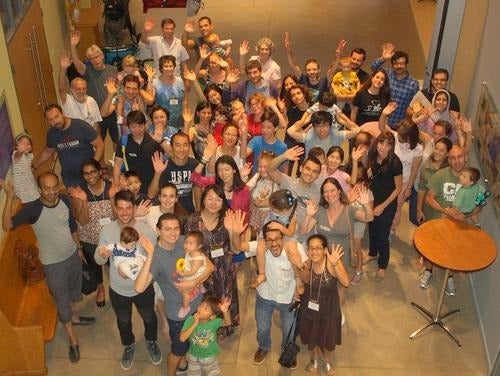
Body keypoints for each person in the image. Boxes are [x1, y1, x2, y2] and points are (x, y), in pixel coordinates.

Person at [2, 173, 95, 363]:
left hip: (72, 255)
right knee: (61, 299)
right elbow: (7, 225)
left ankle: (74, 317)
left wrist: (78, 249)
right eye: (46, 188)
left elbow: (72, 226)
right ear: (40, 189)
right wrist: (10, 197)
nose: (51, 192)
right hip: (53, 265)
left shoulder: (64, 200)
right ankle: (72, 339)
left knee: (73, 290)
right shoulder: (33, 209)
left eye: (54, 187)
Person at [135, 212, 215, 376]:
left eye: (176, 228)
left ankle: (183, 365)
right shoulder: (156, 256)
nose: (173, 233)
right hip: (178, 314)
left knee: (190, 344)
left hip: (197, 306)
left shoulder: (184, 242)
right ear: (158, 231)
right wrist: (150, 254)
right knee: (178, 350)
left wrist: (194, 282)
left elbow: (210, 267)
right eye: (167, 229)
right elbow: (139, 288)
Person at [95, 190, 161, 370]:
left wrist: (147, 277)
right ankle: (129, 344)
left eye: (128, 208)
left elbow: (156, 262)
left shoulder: (146, 230)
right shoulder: (107, 230)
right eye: (120, 208)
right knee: (123, 321)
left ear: (134, 208)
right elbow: (98, 260)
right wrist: (101, 254)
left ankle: (151, 340)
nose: (124, 213)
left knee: (149, 317)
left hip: (144, 288)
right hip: (118, 290)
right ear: (115, 209)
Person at [184, 186, 248, 337]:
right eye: (210, 198)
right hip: (201, 269)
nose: (214, 202)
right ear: (203, 199)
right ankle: (205, 329)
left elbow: (236, 250)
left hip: (224, 270)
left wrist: (234, 232)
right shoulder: (193, 220)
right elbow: (188, 247)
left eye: (218, 199)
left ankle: (225, 328)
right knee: (205, 303)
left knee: (224, 301)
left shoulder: (228, 217)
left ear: (223, 201)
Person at [423, 146, 483, 294]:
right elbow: (428, 199)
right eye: (453, 158)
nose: (457, 161)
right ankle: (428, 270)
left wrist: (466, 215)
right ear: (448, 160)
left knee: (453, 251)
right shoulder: (440, 175)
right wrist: (445, 211)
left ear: (465, 157)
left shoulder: (472, 179)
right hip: (440, 219)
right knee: (433, 249)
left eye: (460, 157)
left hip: (461, 224)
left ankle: (449, 276)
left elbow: (480, 205)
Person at [252, 222, 307, 368]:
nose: (274, 243)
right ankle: (263, 347)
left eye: (277, 238)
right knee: (262, 327)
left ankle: (287, 350)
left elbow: (307, 276)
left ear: (283, 238)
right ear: (264, 240)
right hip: (265, 296)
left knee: (290, 329)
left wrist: (300, 266)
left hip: (289, 298)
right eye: (269, 239)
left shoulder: (295, 248)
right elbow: (237, 247)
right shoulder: (261, 246)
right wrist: (233, 233)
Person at [297, 235, 349, 375]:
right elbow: (304, 281)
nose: (314, 252)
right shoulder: (308, 263)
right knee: (311, 337)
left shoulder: (333, 262)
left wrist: (334, 264)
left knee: (327, 340)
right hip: (309, 306)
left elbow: (345, 282)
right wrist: (301, 271)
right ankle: (313, 359)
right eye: (311, 248)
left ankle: (326, 361)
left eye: (318, 248)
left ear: (325, 250)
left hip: (329, 308)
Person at [69, 158, 116, 307]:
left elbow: (117, 217)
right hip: (89, 238)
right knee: (95, 266)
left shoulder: (111, 188)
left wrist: (113, 197)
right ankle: (100, 288)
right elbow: (82, 221)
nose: (90, 177)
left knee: (115, 264)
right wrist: (82, 200)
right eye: (86, 174)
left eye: (93, 172)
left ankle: (115, 289)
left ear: (100, 172)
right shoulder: (79, 192)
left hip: (111, 238)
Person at [33, 104, 104, 187]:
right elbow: (47, 151)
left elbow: (100, 145)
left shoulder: (81, 126)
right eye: (51, 120)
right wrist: (34, 166)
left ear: (62, 113)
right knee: (75, 199)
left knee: (92, 198)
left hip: (88, 176)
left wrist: (92, 167)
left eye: (57, 117)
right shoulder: (52, 133)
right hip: (70, 179)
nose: (55, 122)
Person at [364, 132, 403, 281]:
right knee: (372, 228)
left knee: (383, 234)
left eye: (388, 144)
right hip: (373, 198)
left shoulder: (395, 162)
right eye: (381, 143)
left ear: (392, 146)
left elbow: (398, 188)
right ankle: (373, 253)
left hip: (388, 202)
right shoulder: (372, 155)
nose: (383, 147)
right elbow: (371, 174)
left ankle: (383, 265)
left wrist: (383, 206)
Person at [70, 30, 119, 146]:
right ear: (89, 61)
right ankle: (100, 164)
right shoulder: (87, 71)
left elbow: (118, 89)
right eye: (91, 58)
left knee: (117, 140)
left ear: (102, 56)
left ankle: (117, 162)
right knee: (99, 142)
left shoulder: (112, 69)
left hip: (111, 111)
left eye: (97, 56)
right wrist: (73, 46)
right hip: (96, 114)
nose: (95, 60)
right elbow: (76, 63)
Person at [252, 189, 299, 288]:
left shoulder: (292, 216)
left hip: (285, 235)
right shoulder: (273, 203)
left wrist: (280, 227)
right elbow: (257, 204)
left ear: (285, 210)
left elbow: (290, 233)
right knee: (259, 249)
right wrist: (261, 196)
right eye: (272, 208)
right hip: (268, 232)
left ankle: (298, 278)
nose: (272, 210)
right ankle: (261, 274)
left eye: (275, 210)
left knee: (293, 253)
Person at [112, 110, 163, 193]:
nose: (137, 130)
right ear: (128, 127)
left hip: (151, 186)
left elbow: (163, 162)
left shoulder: (153, 141)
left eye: (140, 126)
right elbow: (117, 165)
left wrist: (161, 141)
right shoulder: (124, 141)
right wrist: (116, 184)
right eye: (133, 127)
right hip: (131, 188)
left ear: (145, 124)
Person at [180, 296, 231, 376]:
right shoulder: (190, 319)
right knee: (193, 374)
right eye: (201, 305)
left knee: (212, 373)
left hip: (209, 356)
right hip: (193, 355)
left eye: (205, 309)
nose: (200, 308)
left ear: (212, 316)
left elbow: (228, 324)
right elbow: (182, 338)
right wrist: (194, 324)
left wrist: (225, 312)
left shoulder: (214, 322)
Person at [371, 43, 419, 128]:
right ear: (392, 65)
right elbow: (373, 68)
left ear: (406, 64)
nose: (399, 66)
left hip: (398, 125)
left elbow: (413, 106)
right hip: (379, 121)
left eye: (402, 63)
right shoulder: (386, 74)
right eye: (396, 63)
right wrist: (383, 58)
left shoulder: (413, 83)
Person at [59, 52, 103, 131]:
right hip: (74, 136)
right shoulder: (67, 100)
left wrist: (99, 140)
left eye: (84, 88)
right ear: (72, 90)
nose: (81, 91)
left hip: (90, 135)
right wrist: (63, 69)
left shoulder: (91, 101)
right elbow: (61, 88)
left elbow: (96, 124)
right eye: (78, 89)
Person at [284, 31, 329, 102]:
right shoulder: (303, 79)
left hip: (319, 112)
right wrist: (288, 51)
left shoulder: (324, 81)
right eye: (309, 70)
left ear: (319, 69)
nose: (312, 72)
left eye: (314, 69)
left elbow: (332, 69)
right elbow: (293, 65)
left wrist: (338, 56)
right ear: (305, 71)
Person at [287, 111, 359, 155]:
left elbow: (357, 130)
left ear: (330, 126)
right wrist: (305, 121)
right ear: (314, 127)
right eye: (318, 126)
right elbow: (290, 131)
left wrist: (341, 121)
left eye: (325, 125)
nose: (321, 129)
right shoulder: (309, 136)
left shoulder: (336, 135)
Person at [240, 108, 288, 173]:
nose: (265, 130)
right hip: (257, 179)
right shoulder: (256, 140)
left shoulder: (282, 147)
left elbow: (285, 169)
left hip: (273, 181)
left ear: (276, 128)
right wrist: (244, 134)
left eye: (269, 127)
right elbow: (243, 155)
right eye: (263, 127)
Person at [177, 231, 209, 319]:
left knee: (184, 291)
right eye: (186, 242)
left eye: (190, 243)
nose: (187, 245)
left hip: (195, 274)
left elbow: (193, 271)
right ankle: (200, 287)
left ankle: (185, 307)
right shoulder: (190, 251)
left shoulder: (197, 258)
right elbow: (186, 262)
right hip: (194, 272)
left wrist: (182, 273)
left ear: (199, 246)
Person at [152, 55, 186, 129]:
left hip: (178, 120)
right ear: (161, 68)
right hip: (162, 122)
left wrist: (185, 115)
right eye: (166, 66)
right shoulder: (155, 82)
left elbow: (184, 100)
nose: (169, 68)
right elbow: (150, 101)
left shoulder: (179, 80)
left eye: (171, 66)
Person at [10, 133, 39, 204]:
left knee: (36, 197)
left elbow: (28, 169)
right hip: (21, 185)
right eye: (23, 144)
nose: (26, 146)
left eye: (28, 144)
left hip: (29, 181)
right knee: (28, 201)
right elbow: (17, 156)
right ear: (16, 146)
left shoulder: (29, 156)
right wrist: (20, 151)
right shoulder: (16, 154)